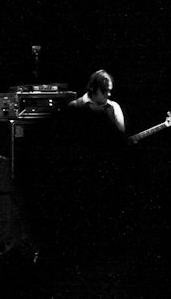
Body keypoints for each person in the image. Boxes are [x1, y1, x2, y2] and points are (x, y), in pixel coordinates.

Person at [47, 69, 127, 261]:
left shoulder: (114, 108)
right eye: (105, 91)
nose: (108, 94)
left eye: (110, 91)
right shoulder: (75, 107)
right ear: (93, 89)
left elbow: (121, 140)